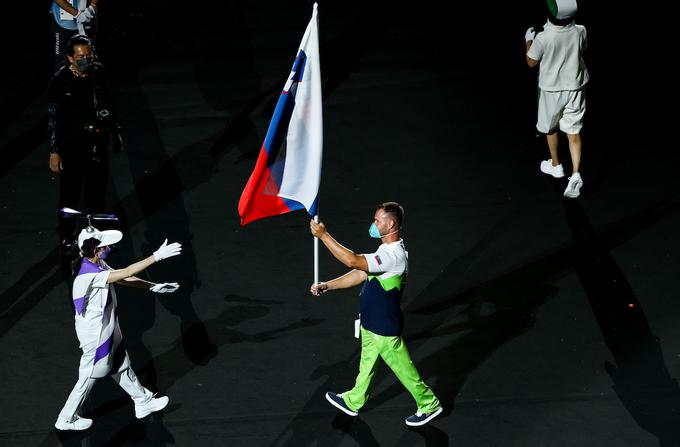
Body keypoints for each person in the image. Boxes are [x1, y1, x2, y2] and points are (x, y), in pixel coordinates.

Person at [309, 202, 442, 427]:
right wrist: (328, 285)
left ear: (390, 224)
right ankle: (354, 400)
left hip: (383, 326)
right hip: (370, 323)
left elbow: (352, 259)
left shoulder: (395, 256)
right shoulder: (385, 250)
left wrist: (323, 236)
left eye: (377, 220)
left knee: (402, 367)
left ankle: (429, 403)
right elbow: (360, 273)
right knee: (366, 363)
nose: (373, 224)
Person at [55, 226, 182, 430]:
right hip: (95, 333)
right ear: (96, 250)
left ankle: (142, 401)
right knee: (90, 375)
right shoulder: (88, 274)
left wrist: (152, 286)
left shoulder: (96, 262)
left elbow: (123, 278)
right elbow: (128, 271)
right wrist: (156, 256)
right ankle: (66, 418)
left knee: (121, 363)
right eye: (105, 245)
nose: (109, 247)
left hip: (107, 325)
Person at [48, 34, 123, 258]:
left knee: (97, 194)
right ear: (70, 58)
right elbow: (52, 118)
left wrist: (114, 130)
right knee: (70, 195)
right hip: (71, 147)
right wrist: (54, 151)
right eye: (81, 56)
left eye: (88, 55)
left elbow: (109, 103)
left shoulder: (98, 73)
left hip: (97, 144)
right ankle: (66, 237)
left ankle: (95, 239)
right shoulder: (60, 81)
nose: (86, 60)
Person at [525, 0, 589, 198]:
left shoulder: (543, 37)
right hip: (576, 87)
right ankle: (576, 173)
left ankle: (556, 165)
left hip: (552, 90)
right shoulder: (580, 30)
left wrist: (529, 40)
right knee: (574, 131)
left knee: (550, 127)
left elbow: (531, 62)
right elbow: (582, 49)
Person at [51, 0, 99, 73]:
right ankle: (62, 82)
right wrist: (77, 14)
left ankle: (88, 81)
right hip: (64, 20)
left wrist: (93, 6)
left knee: (88, 56)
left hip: (88, 15)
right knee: (62, 60)